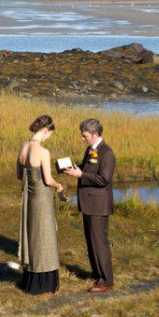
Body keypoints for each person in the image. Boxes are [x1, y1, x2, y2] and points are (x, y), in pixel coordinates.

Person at [64, 118, 116, 293]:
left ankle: (106, 280)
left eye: (84, 136)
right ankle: (97, 274)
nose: (82, 138)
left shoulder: (107, 153)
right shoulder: (91, 149)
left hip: (98, 205)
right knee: (91, 242)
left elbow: (104, 179)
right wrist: (72, 168)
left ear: (95, 135)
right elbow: (87, 169)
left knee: (99, 242)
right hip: (88, 203)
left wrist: (81, 175)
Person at [16, 115, 64, 295]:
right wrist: (58, 185)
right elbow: (48, 179)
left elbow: (19, 176)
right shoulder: (43, 152)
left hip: (28, 198)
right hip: (42, 198)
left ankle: (30, 281)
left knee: (31, 235)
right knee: (45, 237)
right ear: (45, 130)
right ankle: (46, 285)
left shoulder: (22, 147)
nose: (48, 138)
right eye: (49, 134)